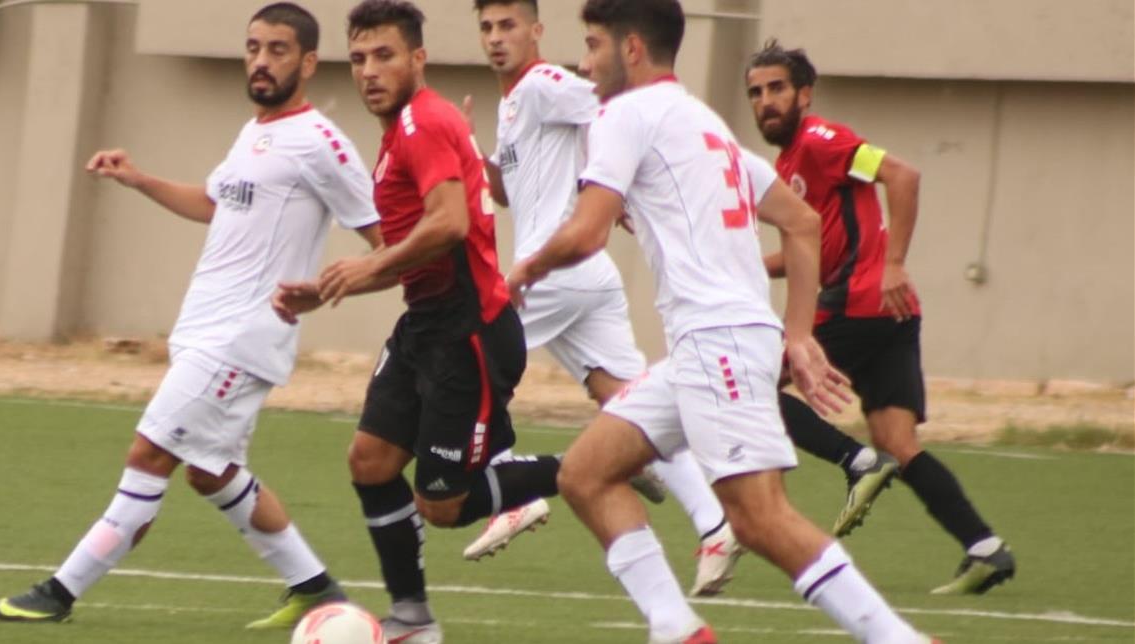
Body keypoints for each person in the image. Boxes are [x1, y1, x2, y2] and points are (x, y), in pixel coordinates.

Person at [506, 1, 939, 642]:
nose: (584, 63)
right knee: (586, 475)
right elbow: (802, 222)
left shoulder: (626, 114)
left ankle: (896, 639)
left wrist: (524, 270)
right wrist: (795, 332)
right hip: (709, 345)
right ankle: (675, 627)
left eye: (593, 45)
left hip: (718, 342)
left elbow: (587, 232)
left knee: (758, 518)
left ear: (631, 49)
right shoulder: (702, 122)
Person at [0, 3, 381, 629]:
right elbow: (215, 203)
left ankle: (59, 591)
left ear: (308, 63)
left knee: (149, 454)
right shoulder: (255, 132)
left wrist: (328, 288)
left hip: (242, 339)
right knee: (212, 472)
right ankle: (317, 588)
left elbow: (387, 240)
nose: (260, 61)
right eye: (253, 47)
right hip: (204, 331)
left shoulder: (321, 142)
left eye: (277, 50)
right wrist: (138, 179)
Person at [273, 2, 562, 642]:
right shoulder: (399, 134)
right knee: (371, 461)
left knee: (444, 504)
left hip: (468, 334)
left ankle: (584, 466)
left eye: (384, 56)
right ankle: (412, 618)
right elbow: (416, 250)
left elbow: (449, 224)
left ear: (418, 58)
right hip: (425, 328)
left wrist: (366, 264)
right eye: (358, 59)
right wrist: (330, 288)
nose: (368, 71)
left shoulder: (422, 122)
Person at [462, 0, 741, 597]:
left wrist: (620, 187)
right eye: (486, 28)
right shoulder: (513, 102)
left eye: (508, 25)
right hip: (584, 278)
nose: (495, 37)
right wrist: (475, 154)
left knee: (463, 355)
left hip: (551, 273)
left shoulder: (543, 83)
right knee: (629, 403)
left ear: (536, 30)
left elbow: (614, 103)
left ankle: (510, 490)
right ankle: (714, 525)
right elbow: (508, 192)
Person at [745, 38, 1016, 594]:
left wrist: (894, 263)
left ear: (805, 94)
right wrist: (739, 263)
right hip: (889, 314)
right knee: (899, 442)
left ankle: (855, 462)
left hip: (860, 303)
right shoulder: (790, 162)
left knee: (750, 385)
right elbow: (813, 254)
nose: (766, 101)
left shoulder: (822, 140)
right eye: (755, 93)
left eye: (777, 88)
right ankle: (985, 549)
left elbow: (903, 175)